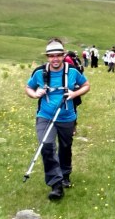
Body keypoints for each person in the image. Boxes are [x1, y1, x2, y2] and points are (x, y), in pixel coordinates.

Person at [25, 38, 90, 200]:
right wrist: (35, 94)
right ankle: (56, 184)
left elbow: (86, 85)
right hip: (45, 116)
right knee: (46, 145)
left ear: (63, 55)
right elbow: (28, 87)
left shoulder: (73, 72)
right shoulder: (39, 73)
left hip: (67, 116)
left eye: (58, 55)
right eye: (51, 56)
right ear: (47, 57)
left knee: (65, 146)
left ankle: (65, 173)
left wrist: (74, 94)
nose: (55, 59)